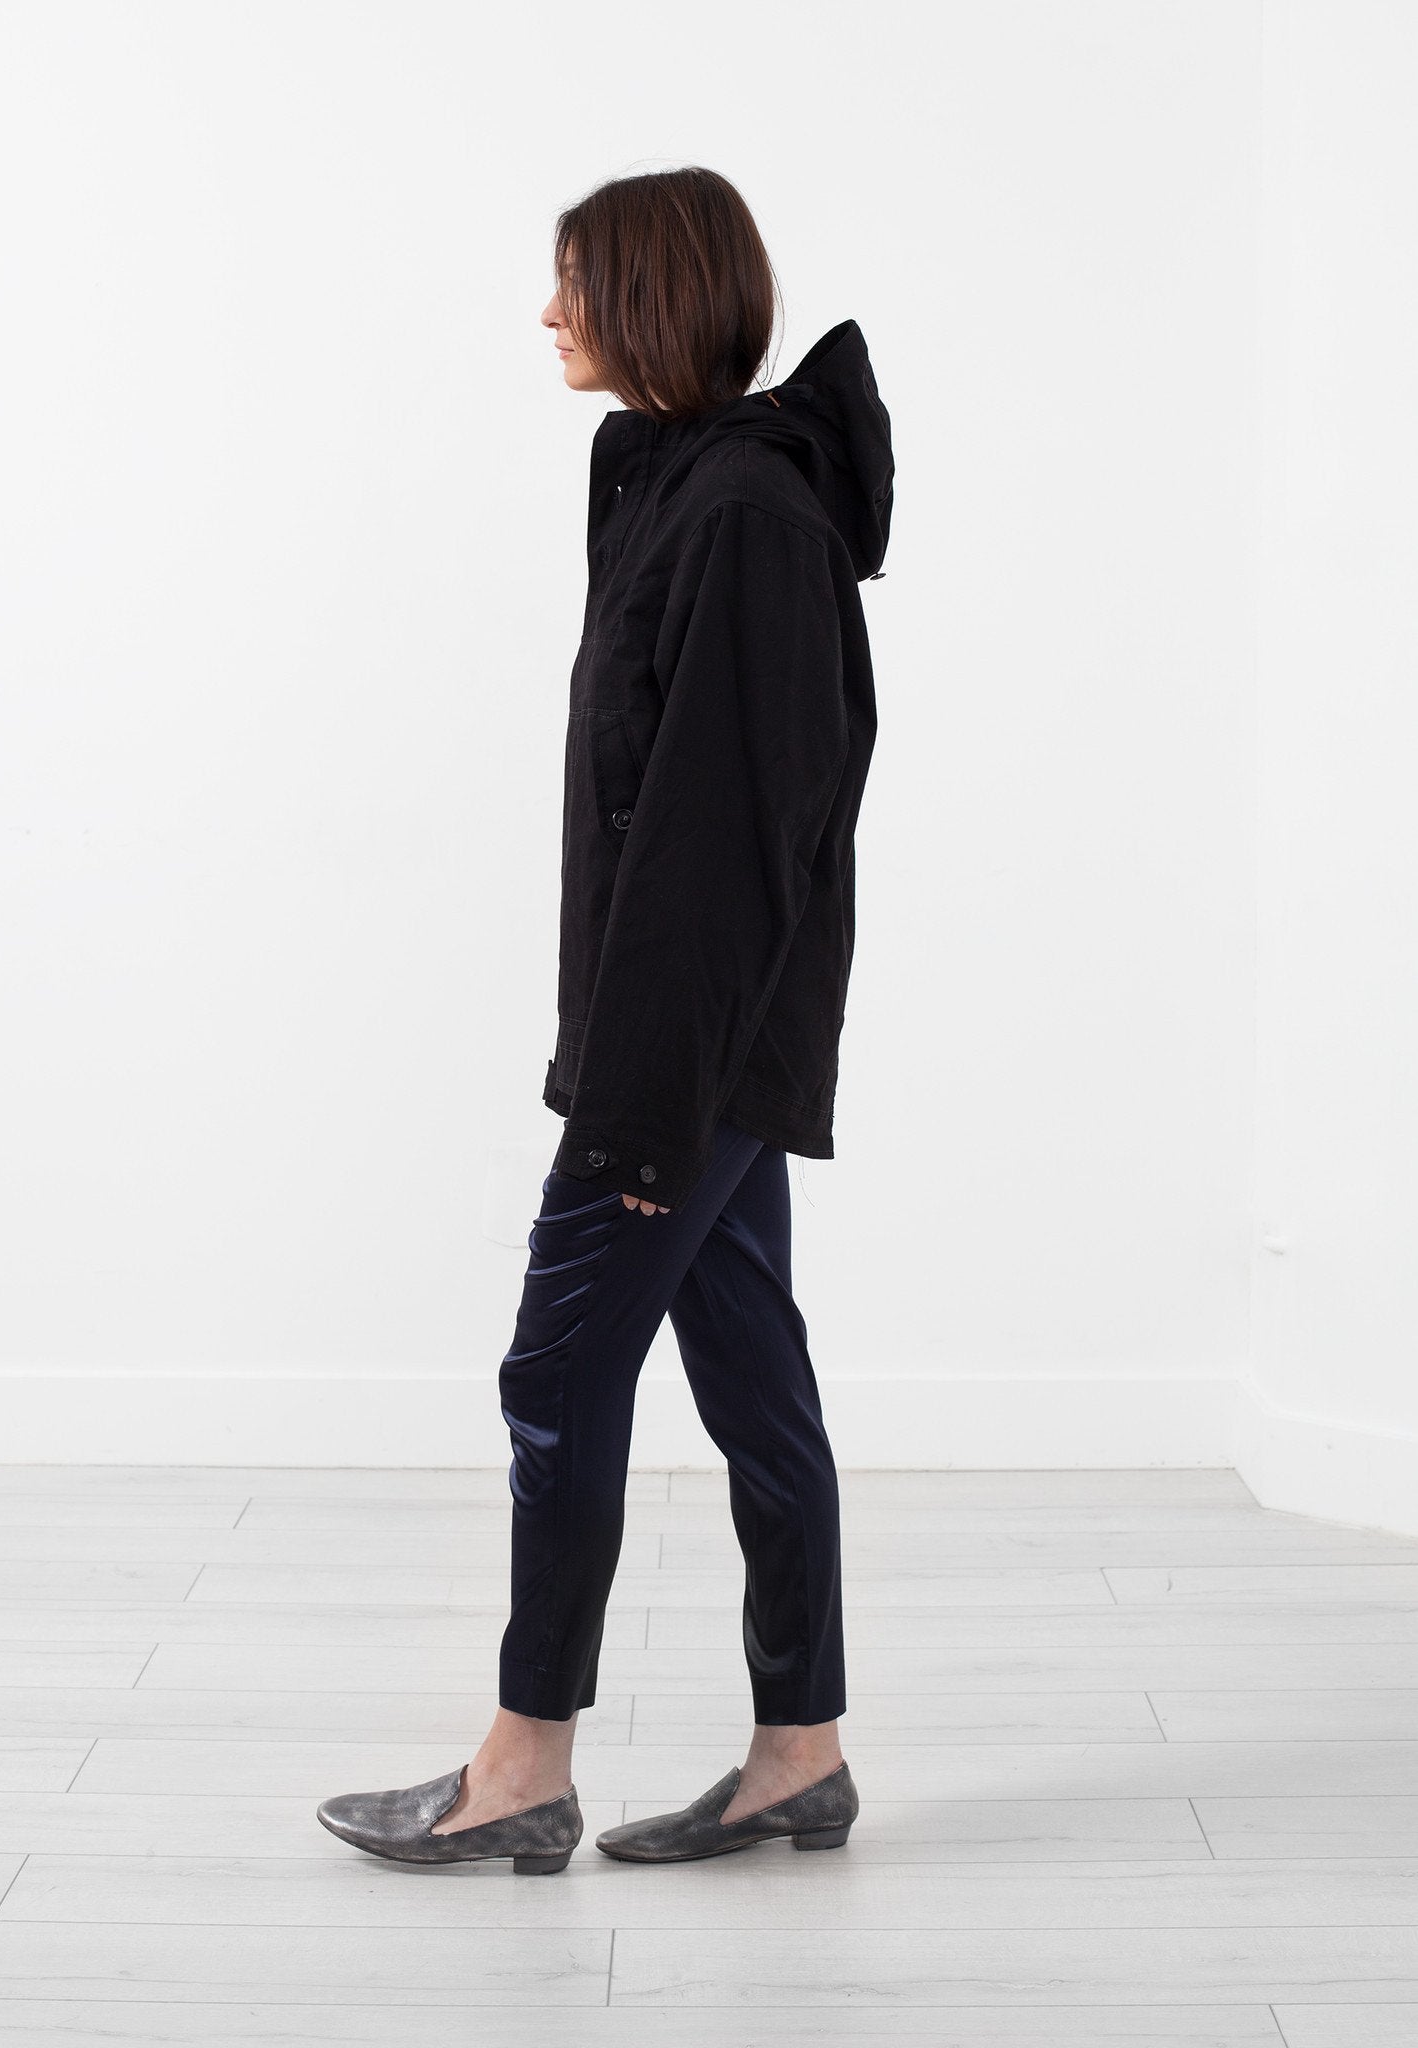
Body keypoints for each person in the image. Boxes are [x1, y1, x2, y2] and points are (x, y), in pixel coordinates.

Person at [317, 165, 894, 1874]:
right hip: (701, 1048)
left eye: (573, 282)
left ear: (650, 293)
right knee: (753, 1380)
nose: (549, 313)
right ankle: (799, 1754)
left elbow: (724, 843)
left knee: (556, 1378)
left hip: (684, 1061)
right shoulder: (678, 486)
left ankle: (522, 1769)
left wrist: (638, 1113)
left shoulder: (746, 516)